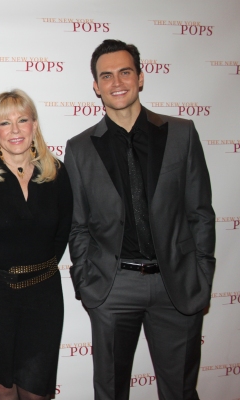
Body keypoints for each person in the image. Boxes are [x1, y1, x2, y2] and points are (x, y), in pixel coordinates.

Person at [64, 39, 215, 400]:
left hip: (176, 283)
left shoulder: (182, 134)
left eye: (125, 72)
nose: (117, 82)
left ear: (141, 77)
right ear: (96, 87)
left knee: (180, 390)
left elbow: (201, 213)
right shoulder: (80, 148)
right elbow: (78, 225)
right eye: (106, 76)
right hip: (113, 287)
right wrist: (88, 281)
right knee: (111, 392)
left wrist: (202, 272)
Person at [0, 89, 73, 400]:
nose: (16, 129)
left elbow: (62, 234)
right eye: (5, 123)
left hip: (43, 299)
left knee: (36, 393)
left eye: (23, 119)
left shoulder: (56, 174)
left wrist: (38, 270)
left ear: (34, 125)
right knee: (3, 394)